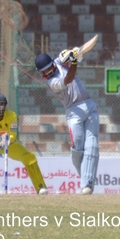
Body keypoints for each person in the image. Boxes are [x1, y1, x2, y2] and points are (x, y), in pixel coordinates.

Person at [36, 48, 100, 195]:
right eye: (44, 72)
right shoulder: (52, 82)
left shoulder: (59, 62)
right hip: (74, 111)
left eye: (49, 69)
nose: (47, 73)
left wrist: (75, 53)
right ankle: (86, 179)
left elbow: (72, 53)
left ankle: (87, 185)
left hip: (89, 105)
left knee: (92, 145)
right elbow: (69, 79)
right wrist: (74, 62)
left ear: (53, 63)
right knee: (78, 147)